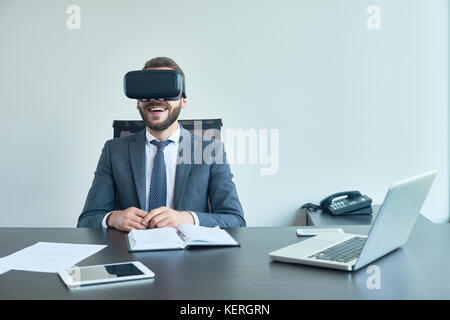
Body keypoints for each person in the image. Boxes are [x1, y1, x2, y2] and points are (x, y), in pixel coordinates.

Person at [77, 57, 245, 231]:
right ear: (138, 103)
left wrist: (188, 218)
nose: (156, 99)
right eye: (148, 92)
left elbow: (235, 220)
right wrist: (112, 218)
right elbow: (87, 220)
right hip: (130, 250)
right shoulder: (114, 151)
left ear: (183, 101)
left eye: (167, 91)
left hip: (190, 255)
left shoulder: (211, 150)